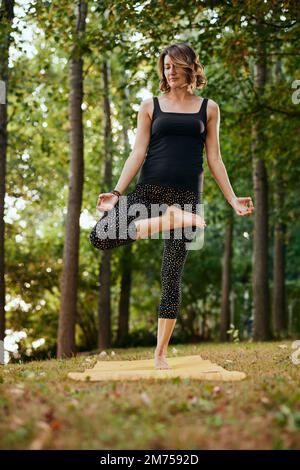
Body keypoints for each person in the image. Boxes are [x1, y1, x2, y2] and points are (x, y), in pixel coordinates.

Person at [89, 42, 254, 369]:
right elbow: (137, 152)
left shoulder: (209, 108)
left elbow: (215, 158)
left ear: (191, 66)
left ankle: (160, 353)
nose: (171, 71)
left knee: (171, 274)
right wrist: (117, 192)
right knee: (100, 236)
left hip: (188, 198)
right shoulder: (150, 105)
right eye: (166, 67)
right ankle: (168, 219)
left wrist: (232, 198)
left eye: (177, 65)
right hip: (149, 190)